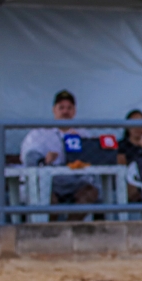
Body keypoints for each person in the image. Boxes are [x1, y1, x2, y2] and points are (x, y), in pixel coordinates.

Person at [20, 90, 100, 220]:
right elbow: (29, 156)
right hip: (49, 183)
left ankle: (71, 227)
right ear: (54, 110)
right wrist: (43, 160)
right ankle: (51, 231)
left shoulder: (83, 134)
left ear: (74, 111)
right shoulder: (40, 132)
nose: (65, 112)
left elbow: (93, 159)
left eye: (69, 108)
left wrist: (85, 146)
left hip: (76, 183)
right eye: (61, 108)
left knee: (90, 193)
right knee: (47, 199)